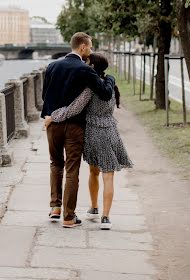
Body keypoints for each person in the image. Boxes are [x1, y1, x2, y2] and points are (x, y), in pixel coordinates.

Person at [44, 52, 132, 230]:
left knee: (93, 172)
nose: (85, 63)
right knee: (109, 175)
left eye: (87, 62)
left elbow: (74, 109)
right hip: (111, 132)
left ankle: (92, 207)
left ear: (92, 66)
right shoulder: (110, 85)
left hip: (93, 133)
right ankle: (105, 217)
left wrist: (53, 117)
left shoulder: (90, 88)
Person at [41, 33, 114, 228]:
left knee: (55, 163)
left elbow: (44, 96)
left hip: (53, 125)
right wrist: (110, 79)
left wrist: (50, 117)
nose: (90, 51)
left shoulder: (52, 66)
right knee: (72, 169)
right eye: (89, 48)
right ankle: (68, 216)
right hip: (75, 127)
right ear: (82, 47)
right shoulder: (85, 70)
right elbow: (105, 94)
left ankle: (55, 207)